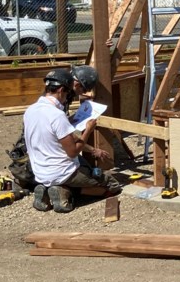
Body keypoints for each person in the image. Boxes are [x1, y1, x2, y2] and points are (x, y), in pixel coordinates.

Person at [22, 68, 122, 213]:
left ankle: (46, 189)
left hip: (40, 172)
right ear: (61, 90)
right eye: (68, 92)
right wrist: (88, 129)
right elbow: (73, 152)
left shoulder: (30, 110)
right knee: (112, 186)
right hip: (62, 172)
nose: (69, 96)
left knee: (85, 170)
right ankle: (65, 191)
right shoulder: (56, 115)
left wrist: (69, 125)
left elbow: (51, 133)